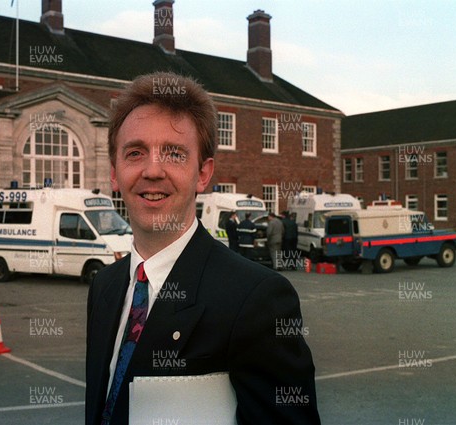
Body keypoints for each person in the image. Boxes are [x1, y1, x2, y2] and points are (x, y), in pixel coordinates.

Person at [86, 71, 320, 425]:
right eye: (135, 153)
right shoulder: (104, 288)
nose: (153, 170)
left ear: (203, 173)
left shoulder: (257, 300)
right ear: (114, 173)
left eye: (174, 153)